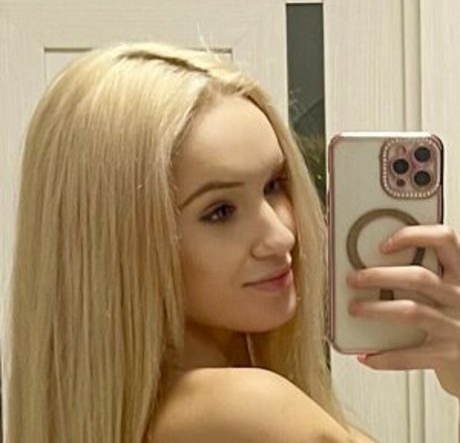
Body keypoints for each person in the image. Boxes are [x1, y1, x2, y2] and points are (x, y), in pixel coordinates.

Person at [3, 41, 460, 442]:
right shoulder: (246, 409)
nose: (282, 235)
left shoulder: (147, 413)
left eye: (274, 185)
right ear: (120, 244)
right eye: (220, 211)